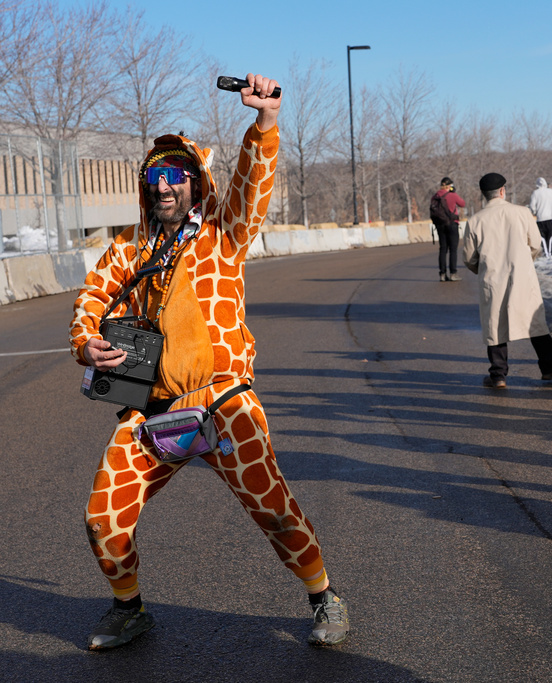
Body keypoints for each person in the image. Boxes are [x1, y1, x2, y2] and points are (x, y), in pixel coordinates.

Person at [69, 73, 349, 650]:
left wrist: (265, 123)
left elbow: (252, 187)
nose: (165, 186)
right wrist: (85, 341)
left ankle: (324, 595)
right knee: (103, 518)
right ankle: (130, 608)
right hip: (152, 411)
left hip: (222, 402)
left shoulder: (225, 233)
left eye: (177, 175)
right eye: (155, 176)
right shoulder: (129, 246)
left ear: (197, 184)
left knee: (273, 508)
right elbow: (91, 299)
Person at [462, 172, 552, 388]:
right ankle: (548, 369)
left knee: (494, 328)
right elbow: (535, 245)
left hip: (492, 279)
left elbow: (468, 257)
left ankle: (498, 376)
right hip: (522, 277)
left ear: (483, 195)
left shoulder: (475, 220)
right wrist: (525, 262)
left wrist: (482, 269)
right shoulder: (522, 213)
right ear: (503, 191)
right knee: (536, 325)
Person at [430, 176, 466, 281]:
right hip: (452, 224)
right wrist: (453, 192)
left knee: (443, 249)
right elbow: (462, 204)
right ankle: (453, 273)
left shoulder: (435, 196)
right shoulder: (452, 195)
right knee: (453, 250)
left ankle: (442, 274)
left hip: (440, 225)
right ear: (449, 186)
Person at [529, 177, 552, 256]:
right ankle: (550, 253)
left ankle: (546, 253)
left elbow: (532, 206)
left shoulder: (535, 193)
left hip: (541, 218)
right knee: (550, 238)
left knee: (543, 238)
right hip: (551, 218)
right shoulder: (551, 192)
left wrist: (535, 212)